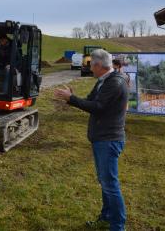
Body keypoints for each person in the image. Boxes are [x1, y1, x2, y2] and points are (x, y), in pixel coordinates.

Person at [54, 49, 128, 231]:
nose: (89, 68)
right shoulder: (103, 81)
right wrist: (72, 97)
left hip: (109, 140)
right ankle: (107, 216)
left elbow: (98, 107)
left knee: (110, 184)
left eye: (90, 65)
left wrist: (71, 99)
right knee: (104, 181)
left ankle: (118, 226)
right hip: (101, 139)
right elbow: (90, 100)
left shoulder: (115, 82)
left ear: (97, 65)